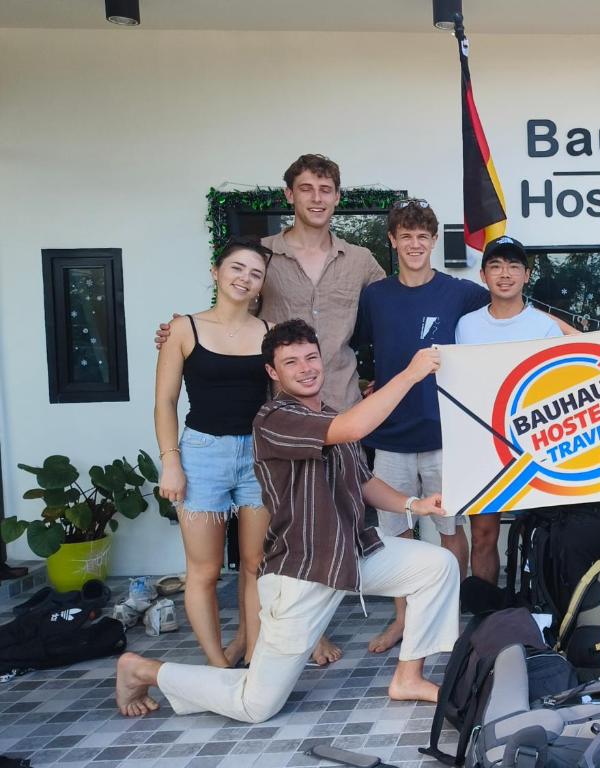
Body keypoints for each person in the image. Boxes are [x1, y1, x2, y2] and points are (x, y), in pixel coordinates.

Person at [116, 320, 460, 721]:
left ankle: (408, 678)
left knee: (436, 566)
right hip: (303, 570)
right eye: (291, 362)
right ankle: (142, 669)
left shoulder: (328, 415)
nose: (306, 367)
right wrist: (411, 373)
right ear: (272, 372)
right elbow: (354, 426)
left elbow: (363, 481)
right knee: (256, 705)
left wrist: (414, 504)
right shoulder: (276, 418)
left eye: (311, 357)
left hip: (351, 553)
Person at [155, 153, 381, 666]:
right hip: (276, 423)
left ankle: (280, 636)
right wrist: (176, 333)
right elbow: (229, 317)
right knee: (281, 539)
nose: (317, 198)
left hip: (340, 404)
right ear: (290, 196)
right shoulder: (264, 256)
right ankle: (253, 646)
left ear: (338, 197)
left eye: (326, 189)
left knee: (316, 527)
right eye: (306, 188)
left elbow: (381, 318)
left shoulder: (363, 260)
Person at [352, 199, 489, 653]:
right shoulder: (375, 296)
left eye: (422, 236)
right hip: (390, 437)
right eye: (405, 236)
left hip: (445, 435)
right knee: (397, 536)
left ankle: (448, 618)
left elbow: (506, 319)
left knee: (451, 529)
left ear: (433, 241)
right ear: (391, 241)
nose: (414, 244)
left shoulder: (462, 293)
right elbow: (356, 350)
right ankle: (404, 622)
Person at [154, 238, 272, 668]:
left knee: (256, 564)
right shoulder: (183, 329)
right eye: (237, 268)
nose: (245, 279)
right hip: (202, 455)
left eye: (255, 274)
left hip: (257, 458)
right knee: (203, 571)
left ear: (261, 286)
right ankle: (219, 665)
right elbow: (165, 401)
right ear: (216, 272)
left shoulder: (268, 332)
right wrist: (171, 462)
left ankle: (257, 660)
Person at [454, 235, 562, 583]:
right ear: (483, 275)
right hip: (482, 447)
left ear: (527, 274)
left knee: (541, 533)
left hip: (536, 444)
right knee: (484, 534)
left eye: (514, 266)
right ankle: (486, 616)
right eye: (496, 266)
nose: (505, 273)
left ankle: (542, 610)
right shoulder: (467, 325)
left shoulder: (544, 326)